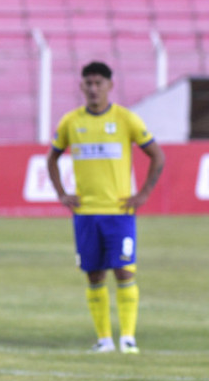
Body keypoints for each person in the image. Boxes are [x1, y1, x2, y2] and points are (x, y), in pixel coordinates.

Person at [47, 61, 165, 354]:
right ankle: (104, 340)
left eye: (99, 82)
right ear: (81, 86)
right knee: (94, 274)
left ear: (110, 85)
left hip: (119, 212)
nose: (93, 88)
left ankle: (127, 337)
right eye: (88, 83)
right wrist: (62, 193)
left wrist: (144, 193)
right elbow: (51, 158)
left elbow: (157, 155)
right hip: (86, 213)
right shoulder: (70, 122)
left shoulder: (126, 120)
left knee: (124, 271)